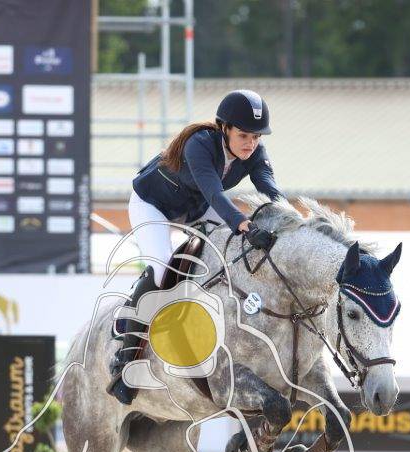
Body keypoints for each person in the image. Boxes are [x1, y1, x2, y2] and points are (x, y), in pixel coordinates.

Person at [108, 89, 285, 404]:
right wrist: (244, 225)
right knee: (162, 266)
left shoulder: (255, 152)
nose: (251, 143)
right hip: (153, 204)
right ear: (224, 128)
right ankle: (126, 358)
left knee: (233, 251)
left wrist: (292, 219)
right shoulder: (199, 144)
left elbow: (270, 189)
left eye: (256, 136)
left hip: (196, 206)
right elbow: (215, 193)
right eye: (243, 135)